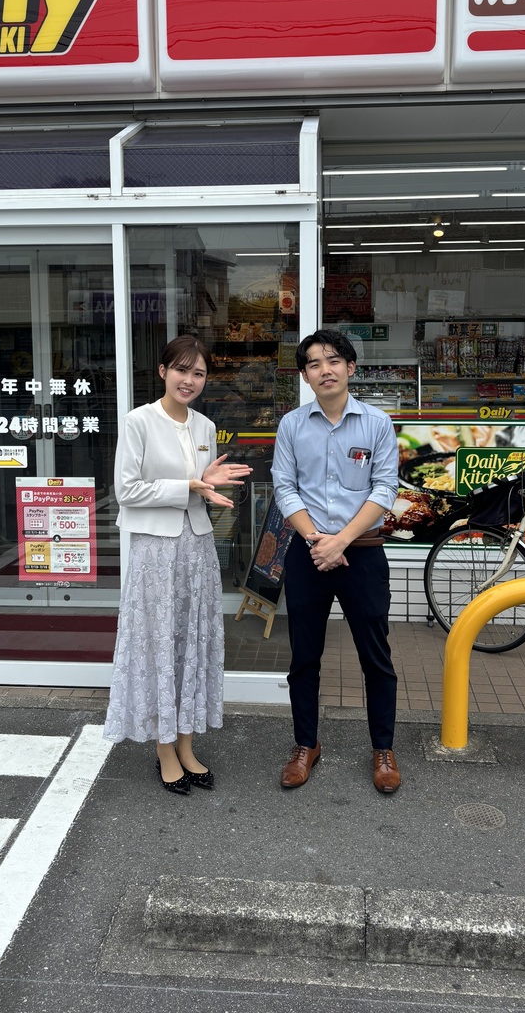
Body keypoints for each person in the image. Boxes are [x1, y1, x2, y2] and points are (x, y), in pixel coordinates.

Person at [104, 335, 252, 794]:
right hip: (154, 551)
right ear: (164, 370)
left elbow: (201, 490)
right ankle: (164, 749)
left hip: (197, 549)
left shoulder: (205, 427)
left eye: (199, 373)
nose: (189, 380)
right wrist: (191, 483)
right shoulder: (138, 422)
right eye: (182, 370)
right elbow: (126, 491)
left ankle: (186, 743)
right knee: (158, 646)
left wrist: (207, 488)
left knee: (192, 644)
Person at [271, 328, 401, 794]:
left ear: (349, 367)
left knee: (376, 657)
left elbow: (384, 489)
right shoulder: (291, 425)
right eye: (313, 363)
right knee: (304, 656)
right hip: (308, 555)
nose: (324, 369)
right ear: (305, 376)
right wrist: (315, 540)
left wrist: (340, 541)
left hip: (361, 553)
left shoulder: (377, 424)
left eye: (332, 360)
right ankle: (306, 744)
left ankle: (382, 749)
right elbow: (284, 487)